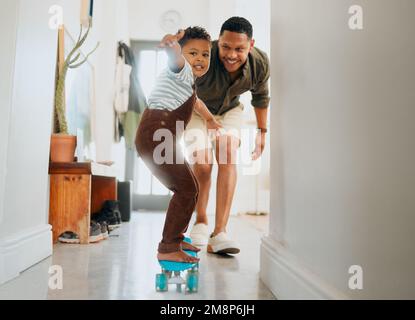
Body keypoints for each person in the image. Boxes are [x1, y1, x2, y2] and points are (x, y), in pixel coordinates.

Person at [135, 27, 222, 262]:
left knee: (190, 187)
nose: (200, 59)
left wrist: (211, 120)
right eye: (192, 53)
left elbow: (197, 104)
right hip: (157, 134)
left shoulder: (187, 85)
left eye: (205, 55)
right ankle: (169, 246)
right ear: (183, 55)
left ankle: (176, 236)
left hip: (159, 137)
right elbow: (176, 58)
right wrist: (172, 46)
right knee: (187, 189)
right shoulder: (180, 70)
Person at [184, 17, 271, 254]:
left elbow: (260, 97)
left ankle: (220, 232)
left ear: (250, 45)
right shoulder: (203, 55)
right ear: (218, 41)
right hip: (196, 110)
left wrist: (262, 133)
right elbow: (186, 92)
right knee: (202, 164)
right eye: (226, 47)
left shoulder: (260, 63)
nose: (231, 55)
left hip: (230, 110)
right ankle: (201, 220)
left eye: (239, 49)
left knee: (228, 152)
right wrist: (210, 121)